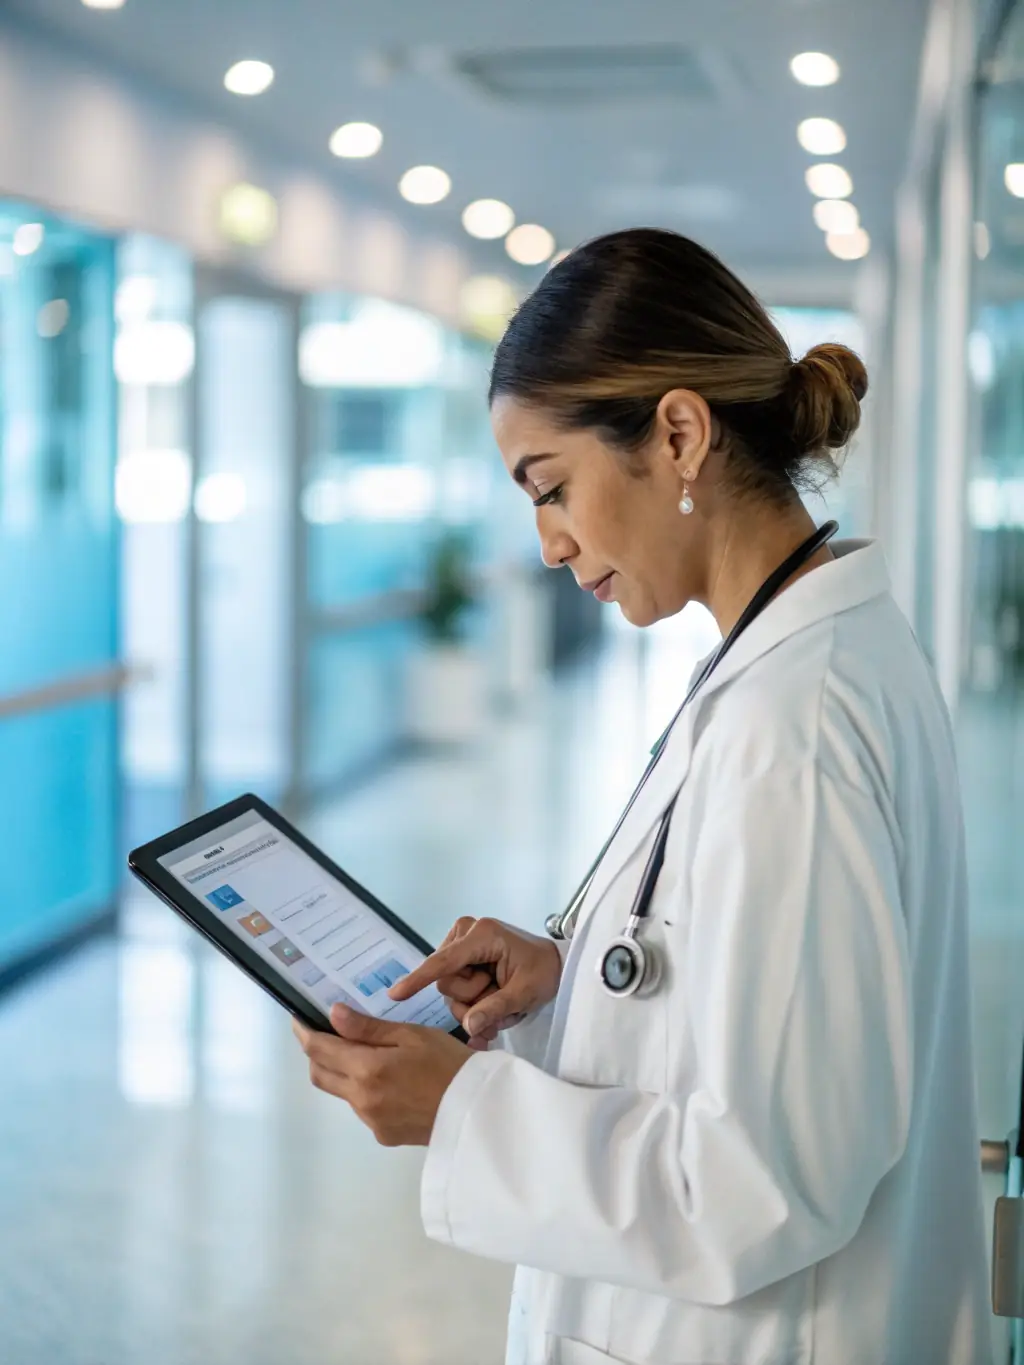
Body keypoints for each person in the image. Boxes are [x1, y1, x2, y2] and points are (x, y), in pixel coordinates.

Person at [293, 229, 992, 1365]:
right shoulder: (785, 662)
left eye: (551, 487)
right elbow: (773, 1000)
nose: (548, 543)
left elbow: (763, 1184)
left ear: (677, 434)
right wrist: (580, 977)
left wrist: (459, 1110)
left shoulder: (794, 728)